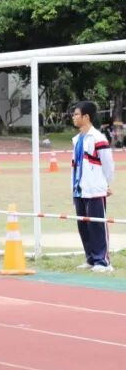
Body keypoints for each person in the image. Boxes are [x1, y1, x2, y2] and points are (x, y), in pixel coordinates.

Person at [71, 101, 115, 273]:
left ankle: (102, 261)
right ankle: (90, 258)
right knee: (83, 226)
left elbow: (108, 165)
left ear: (86, 117)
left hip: (95, 190)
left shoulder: (98, 138)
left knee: (97, 225)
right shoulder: (77, 140)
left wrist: (106, 185)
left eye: (76, 114)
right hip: (79, 190)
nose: (73, 117)